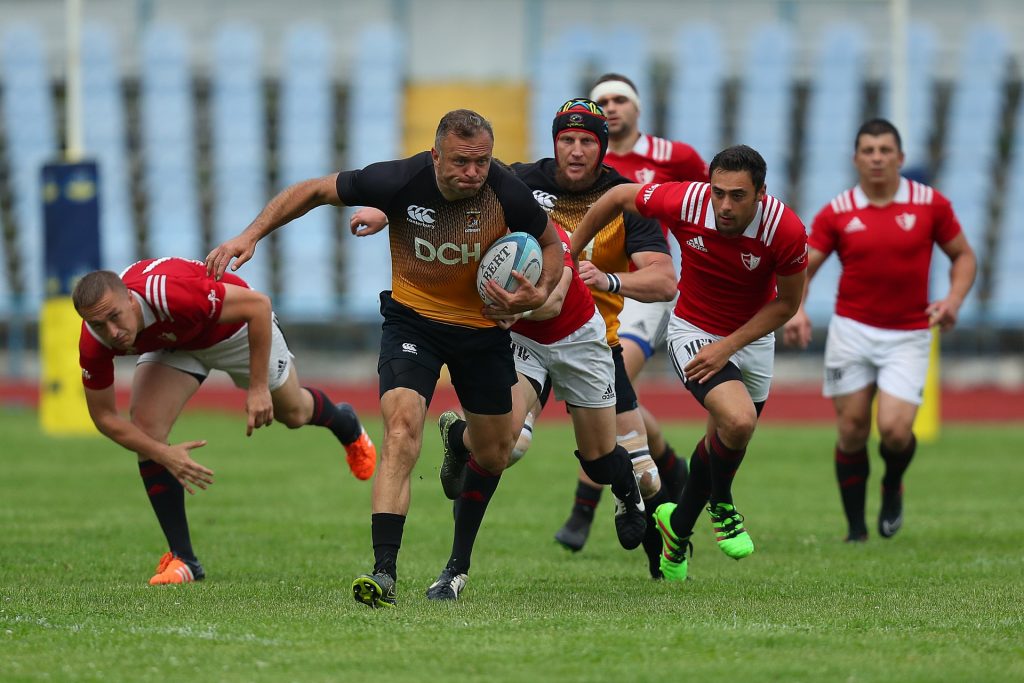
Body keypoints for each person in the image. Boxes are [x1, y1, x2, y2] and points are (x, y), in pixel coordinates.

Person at [206, 109, 565, 608]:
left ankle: (458, 441)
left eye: (482, 161)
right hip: (413, 321)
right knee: (400, 430)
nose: (473, 173)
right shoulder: (398, 179)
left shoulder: (506, 190)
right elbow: (313, 190)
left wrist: (535, 294)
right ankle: (384, 570)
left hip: (482, 330)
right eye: (461, 162)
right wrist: (249, 237)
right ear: (436, 155)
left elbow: (551, 246)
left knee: (497, 453)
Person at [571, 145, 809, 583]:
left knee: (726, 439)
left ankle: (677, 527)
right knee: (737, 423)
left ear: (761, 194)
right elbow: (618, 197)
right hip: (694, 331)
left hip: (752, 338)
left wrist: (730, 346)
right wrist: (573, 251)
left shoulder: (785, 229)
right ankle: (722, 502)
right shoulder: (686, 200)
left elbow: (788, 304)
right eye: (718, 192)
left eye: (737, 196)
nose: (724, 205)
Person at [73, 257, 377, 585]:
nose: (112, 332)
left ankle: (345, 422)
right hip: (177, 343)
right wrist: (163, 454)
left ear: (130, 300)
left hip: (236, 332)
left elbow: (258, 306)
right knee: (147, 430)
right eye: (99, 324)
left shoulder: (170, 294)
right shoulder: (95, 339)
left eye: (114, 317)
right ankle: (184, 559)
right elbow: (104, 417)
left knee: (294, 414)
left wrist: (258, 388)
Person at [504, 98, 677, 577]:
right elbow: (452, 194)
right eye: (567, 140)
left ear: (602, 147)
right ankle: (457, 563)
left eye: (587, 141)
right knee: (507, 446)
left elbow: (664, 281)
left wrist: (609, 279)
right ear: (554, 142)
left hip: (596, 342)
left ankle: (663, 562)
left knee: (642, 472)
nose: (576, 150)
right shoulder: (518, 181)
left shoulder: (626, 197)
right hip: (529, 335)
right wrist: (383, 209)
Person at [783, 118, 976, 542]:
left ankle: (892, 485)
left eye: (885, 150)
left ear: (900, 158)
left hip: (908, 333)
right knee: (852, 429)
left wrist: (953, 300)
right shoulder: (837, 212)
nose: (876, 158)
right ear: (855, 159)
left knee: (894, 430)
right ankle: (856, 530)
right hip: (851, 330)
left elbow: (964, 256)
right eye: (868, 150)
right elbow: (803, 268)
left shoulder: (931, 205)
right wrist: (795, 309)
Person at [547, 74, 710, 551]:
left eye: (621, 100)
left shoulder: (673, 157)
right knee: (625, 404)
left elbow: (710, 206)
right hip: (581, 289)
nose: (613, 108)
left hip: (637, 291)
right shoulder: (579, 160)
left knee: (605, 392)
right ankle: (671, 471)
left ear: (637, 109)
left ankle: (583, 510)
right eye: (605, 102)